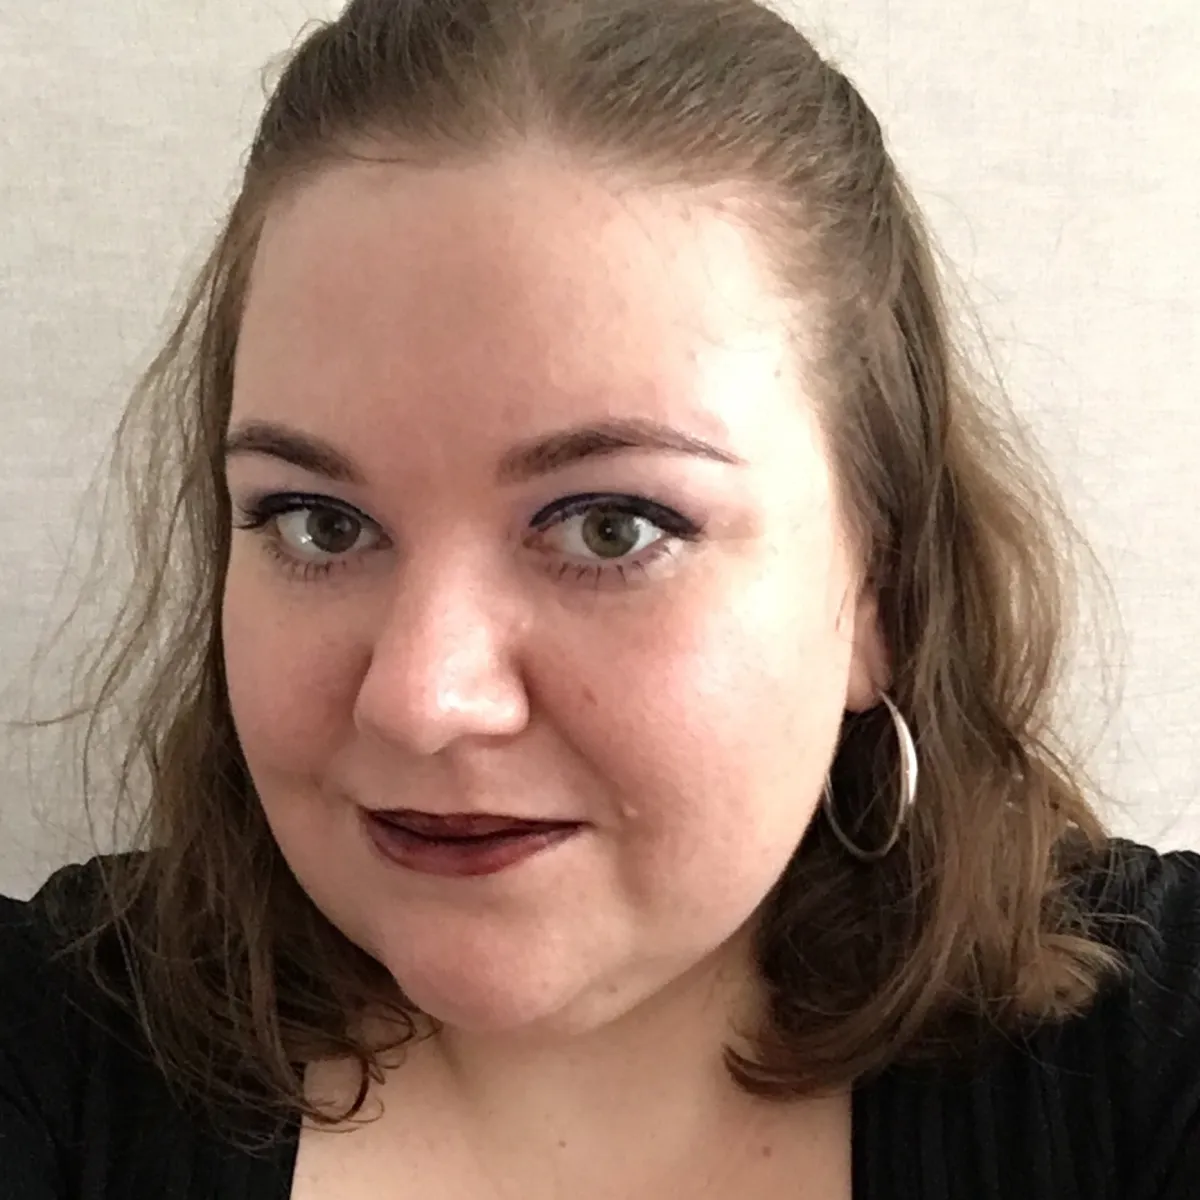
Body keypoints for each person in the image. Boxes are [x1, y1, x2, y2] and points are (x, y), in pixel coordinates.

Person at [2, 0, 1198, 1196]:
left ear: (879, 589)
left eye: (612, 527)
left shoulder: (1148, 1055)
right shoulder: (53, 1047)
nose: (421, 700)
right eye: (319, 522)